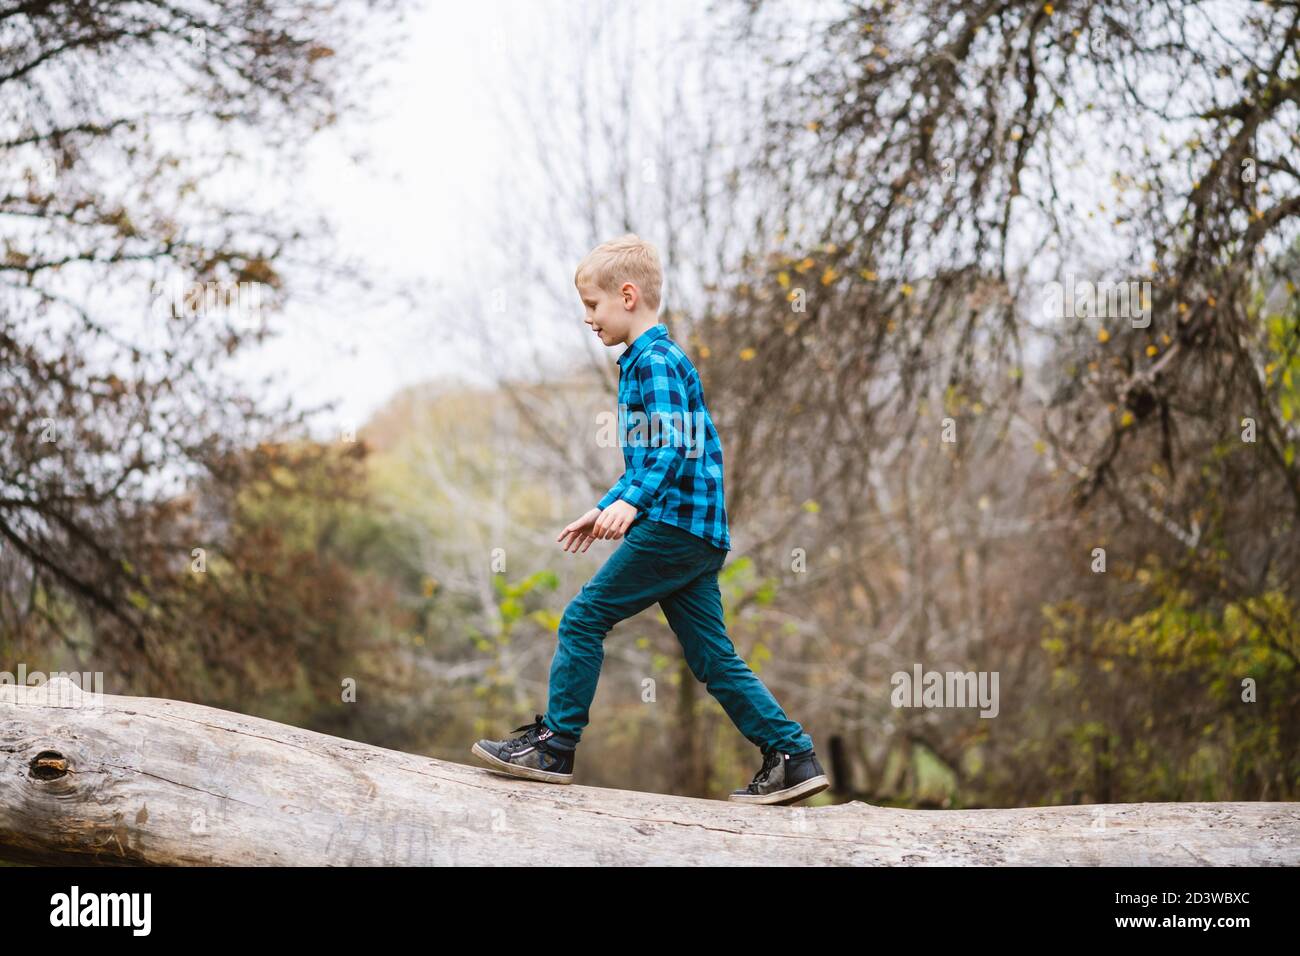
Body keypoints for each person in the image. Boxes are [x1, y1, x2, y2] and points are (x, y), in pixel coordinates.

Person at [471, 233, 829, 806]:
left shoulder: (655, 362)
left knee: (583, 618)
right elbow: (653, 454)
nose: (588, 318)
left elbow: (671, 448)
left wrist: (634, 503)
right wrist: (608, 501)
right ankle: (792, 754)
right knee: (714, 658)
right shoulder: (652, 360)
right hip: (695, 531)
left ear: (628, 295)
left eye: (593, 305)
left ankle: (555, 745)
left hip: (673, 527)